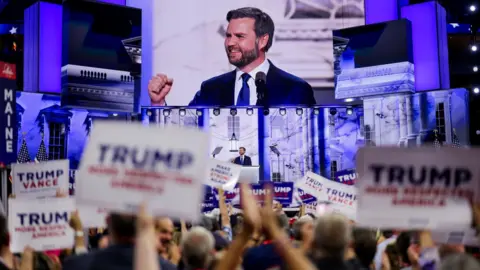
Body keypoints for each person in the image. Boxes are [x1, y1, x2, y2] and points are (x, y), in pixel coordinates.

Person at [148, 7, 316, 107]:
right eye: (228, 36)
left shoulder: (295, 90)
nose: (230, 43)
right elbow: (186, 134)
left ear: (262, 40)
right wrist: (158, 103)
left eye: (239, 36)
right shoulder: (211, 89)